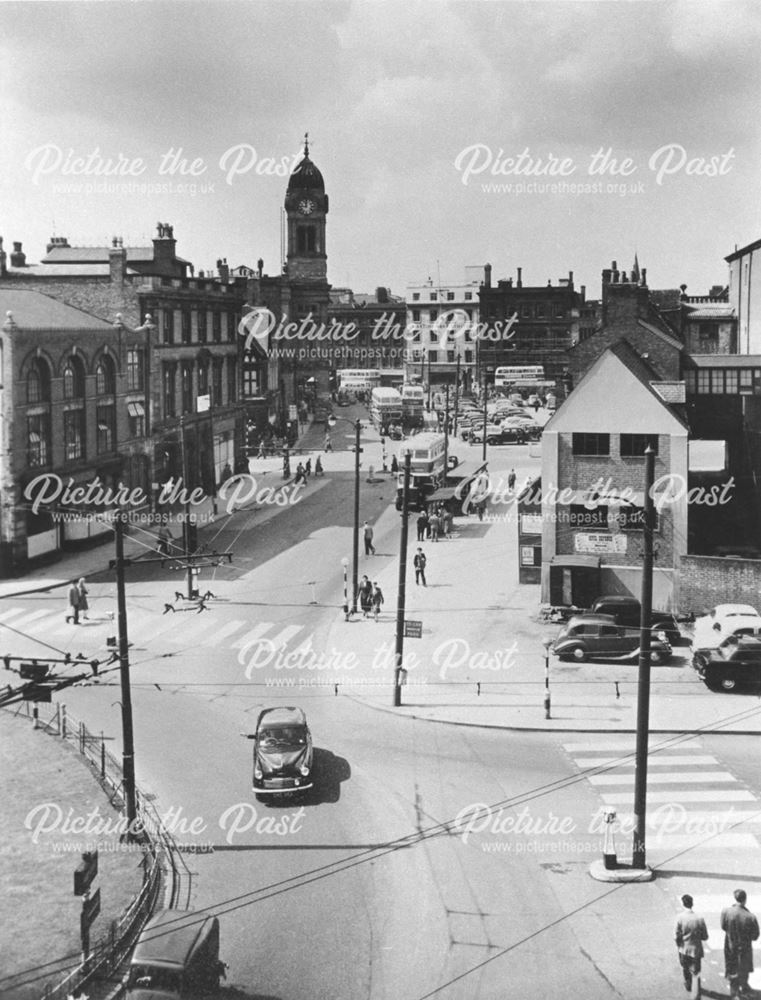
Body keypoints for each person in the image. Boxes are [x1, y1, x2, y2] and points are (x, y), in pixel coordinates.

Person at [721, 889, 760, 998]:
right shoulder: (750, 916)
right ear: (745, 900)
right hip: (745, 947)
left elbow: (723, 926)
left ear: (735, 898)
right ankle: (744, 986)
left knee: (732, 967)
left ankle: (734, 992)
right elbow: (755, 936)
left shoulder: (726, 911)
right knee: (744, 967)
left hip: (730, 945)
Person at [675, 894, 708, 995]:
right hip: (696, 949)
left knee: (685, 968)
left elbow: (676, 935)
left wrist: (679, 944)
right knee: (696, 972)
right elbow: (705, 936)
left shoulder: (679, 918)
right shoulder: (700, 918)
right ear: (692, 903)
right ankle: (696, 989)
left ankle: (688, 984)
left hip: (684, 949)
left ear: (683, 904)